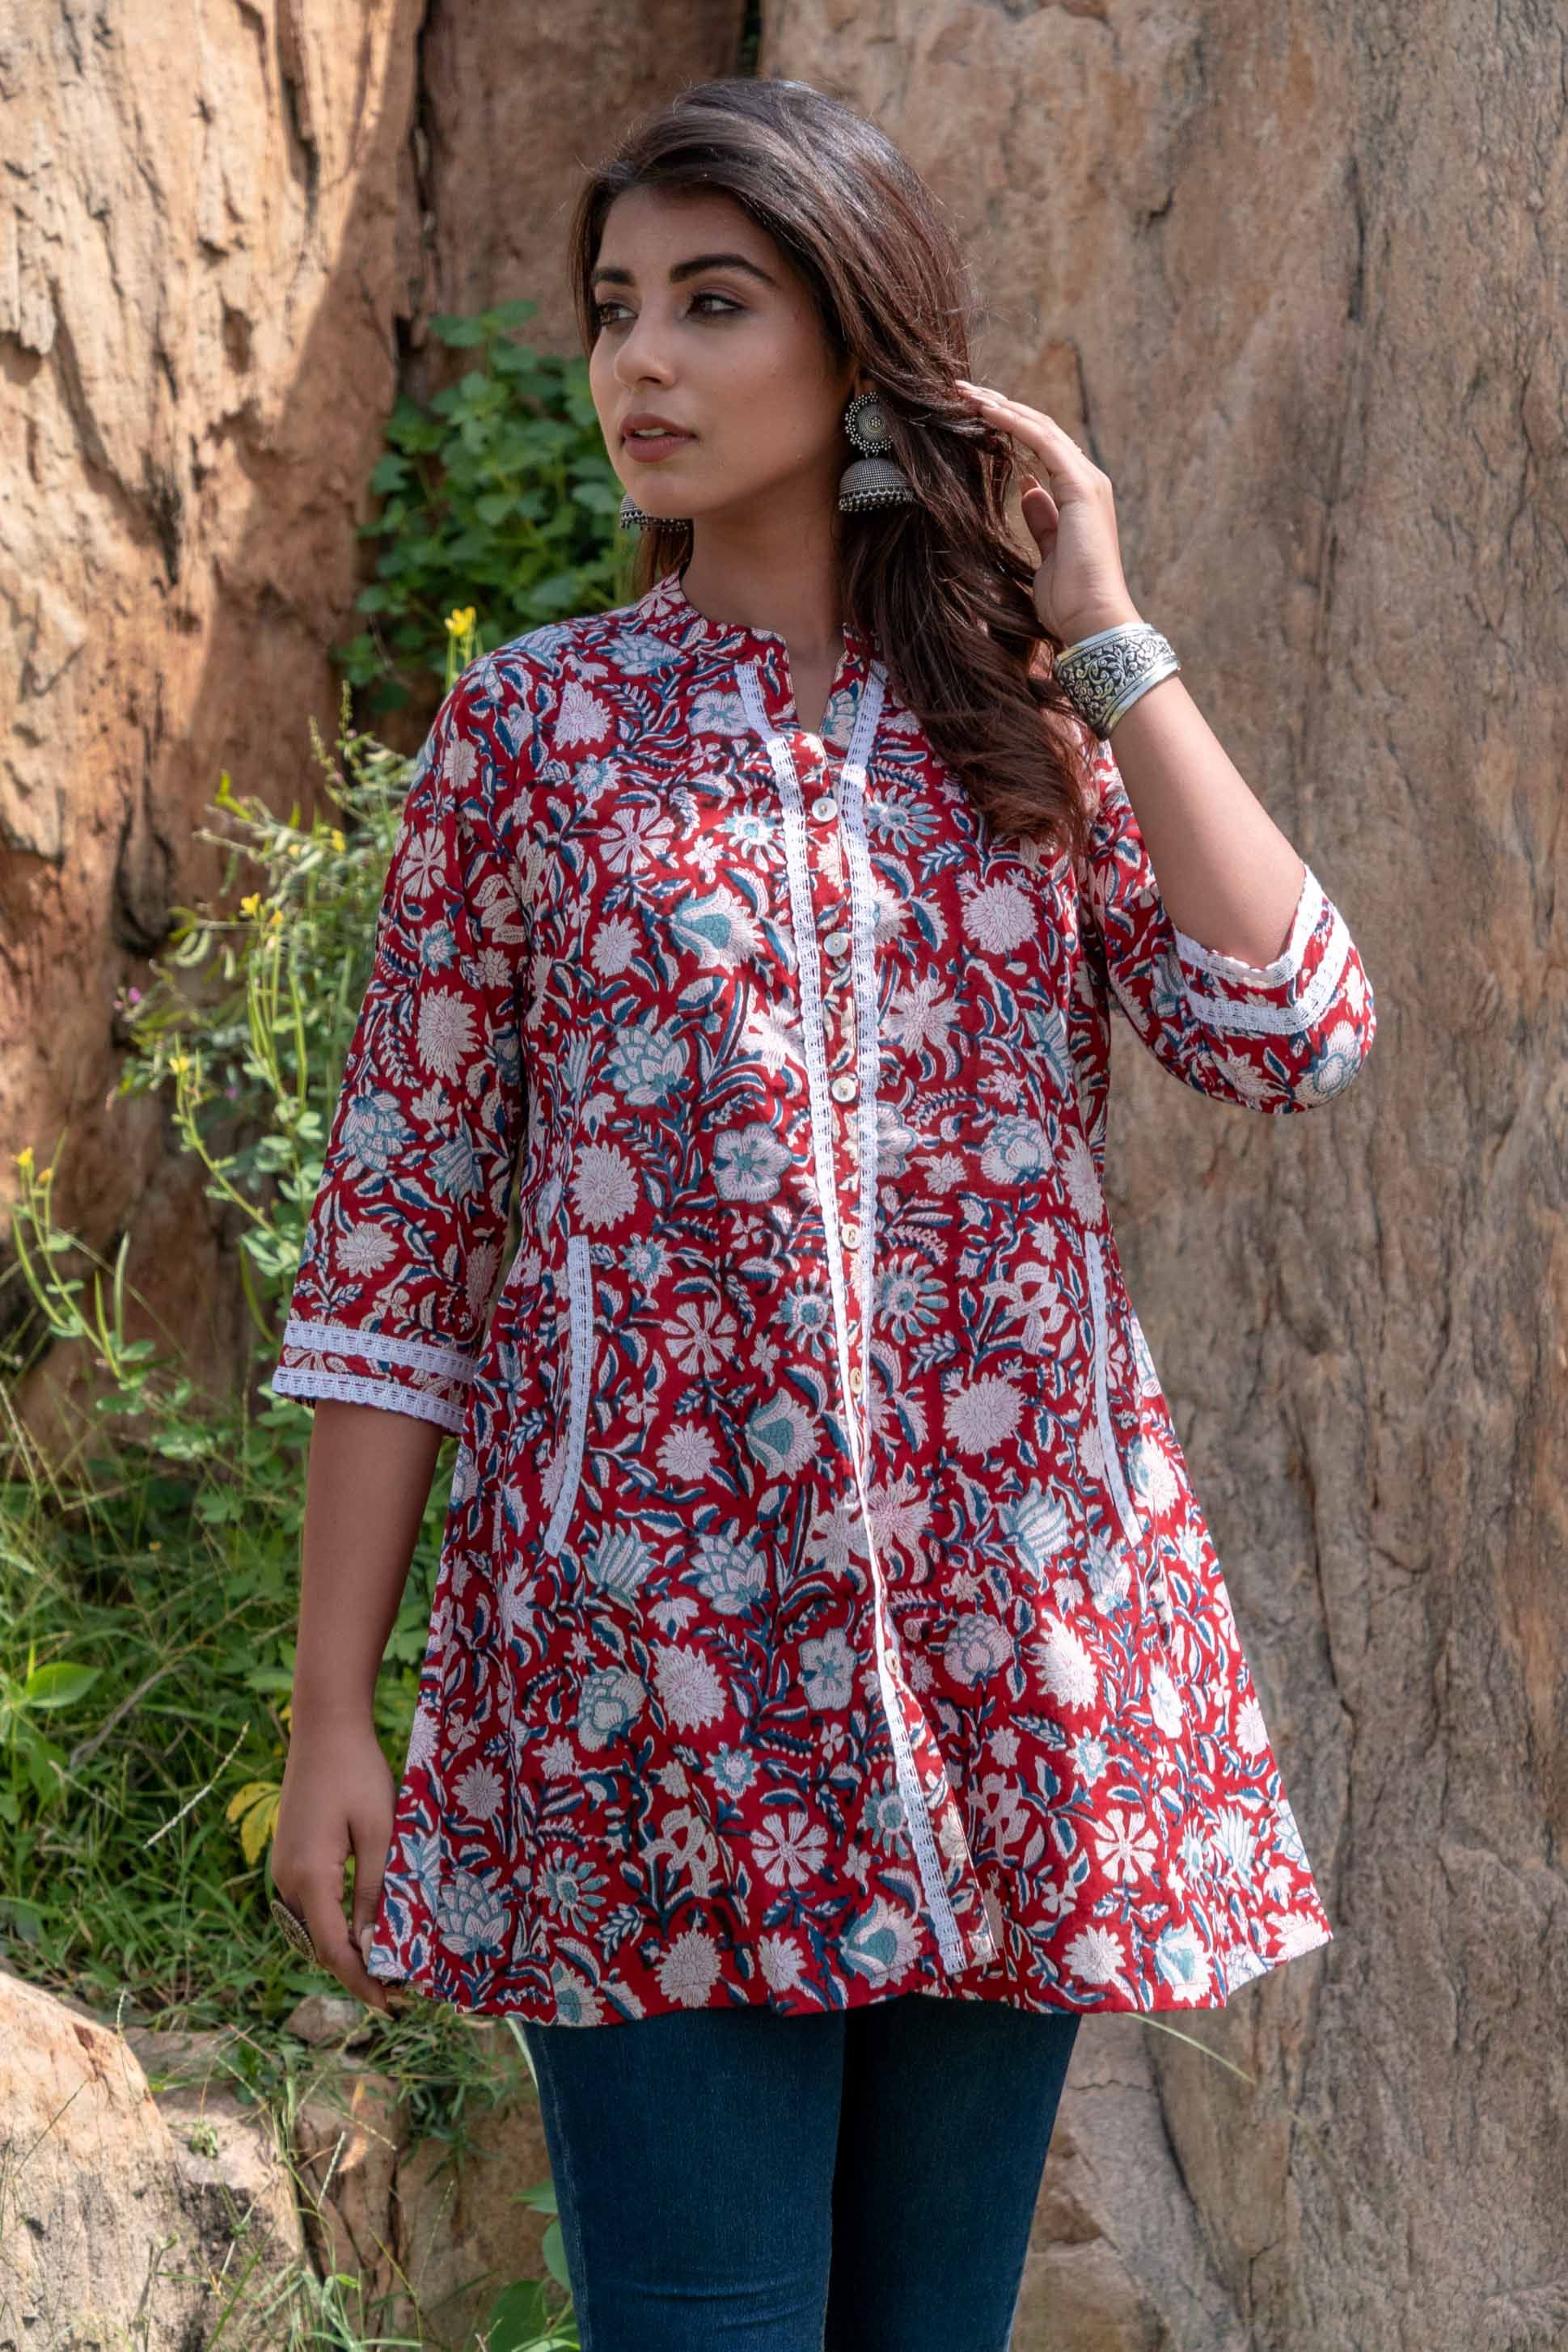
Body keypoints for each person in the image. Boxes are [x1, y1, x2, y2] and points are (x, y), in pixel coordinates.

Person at [267, 74, 1376, 2352]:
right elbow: (396, 1251)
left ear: (861, 348)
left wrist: (1106, 629)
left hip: (1012, 1697)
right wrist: (329, 1712)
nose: (637, 367)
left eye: (710, 303)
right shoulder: (533, 735)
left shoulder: (1025, 739)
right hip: (635, 1704)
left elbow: (1293, 1024)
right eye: (609, 313)